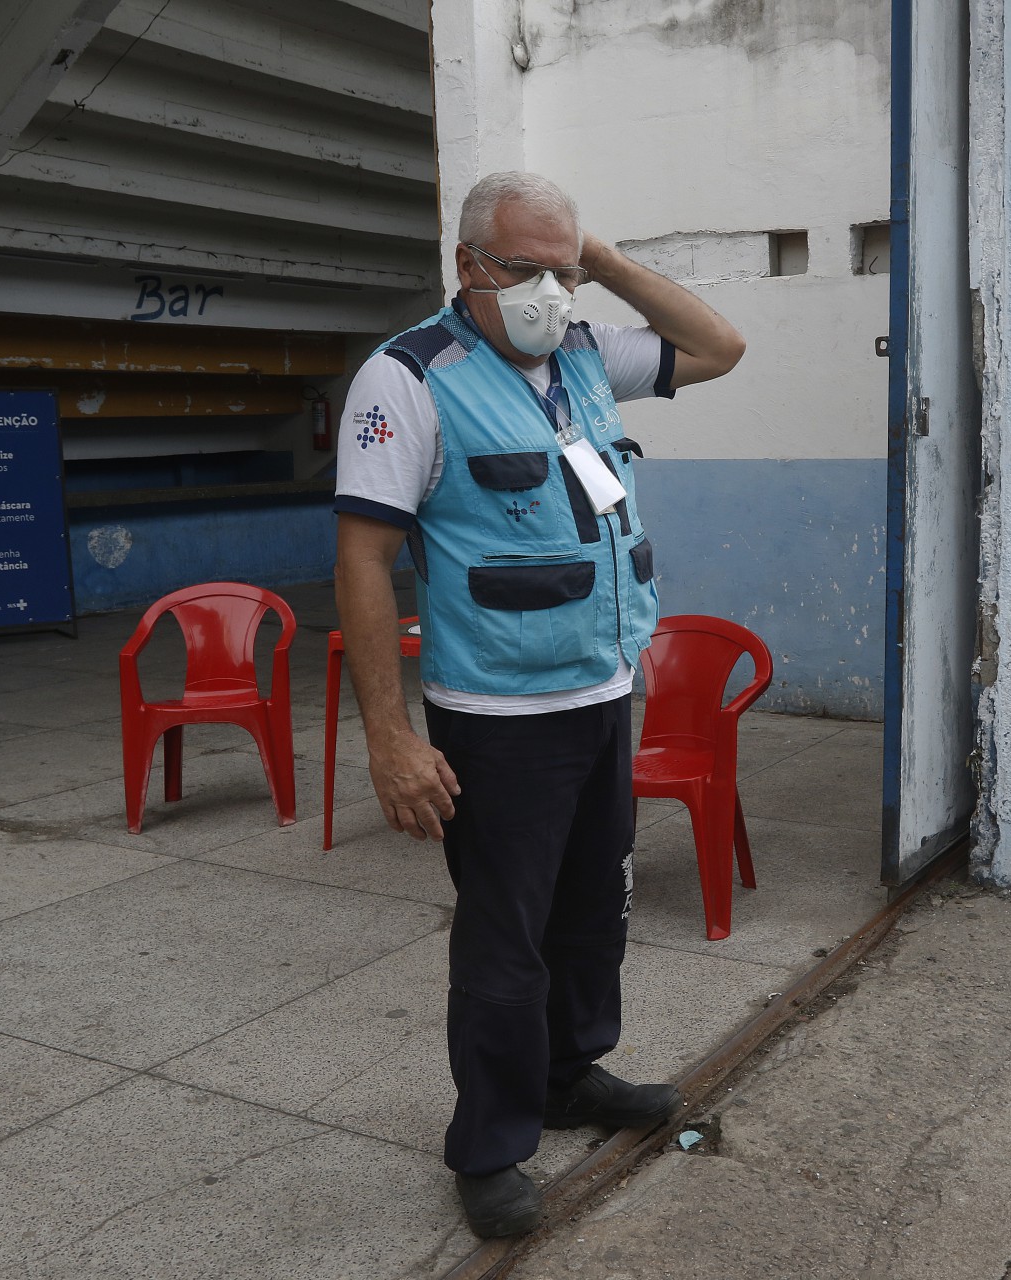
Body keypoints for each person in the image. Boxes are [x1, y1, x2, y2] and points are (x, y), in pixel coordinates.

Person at [332, 171, 745, 1238]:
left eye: (562, 268)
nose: (547, 291)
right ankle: (491, 1140)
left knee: (590, 909)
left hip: (606, 688)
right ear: (466, 264)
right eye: (525, 268)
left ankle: (571, 1074)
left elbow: (720, 345)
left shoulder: (582, 352)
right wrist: (388, 734)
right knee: (505, 938)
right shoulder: (407, 379)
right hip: (498, 713)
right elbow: (365, 561)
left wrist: (598, 265)